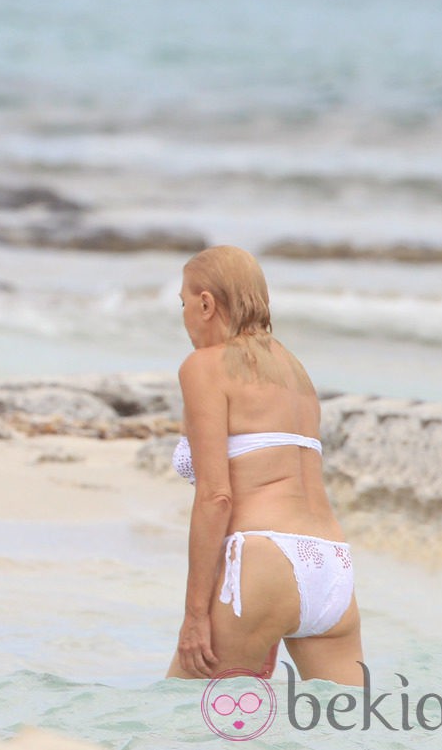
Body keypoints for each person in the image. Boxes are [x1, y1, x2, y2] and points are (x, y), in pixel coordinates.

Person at [166, 245, 364, 685]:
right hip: (331, 566)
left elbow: (216, 497)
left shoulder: (205, 366)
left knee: (176, 721)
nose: (184, 318)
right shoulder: (294, 370)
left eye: (183, 304)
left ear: (205, 303)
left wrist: (195, 615)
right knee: (354, 729)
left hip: (262, 561)